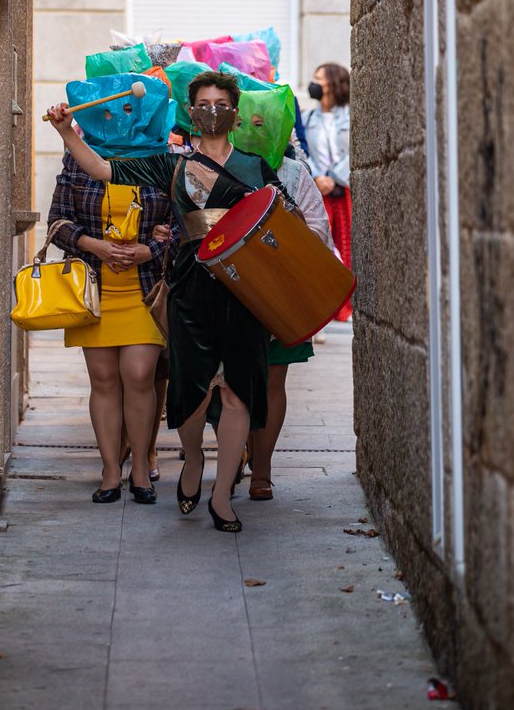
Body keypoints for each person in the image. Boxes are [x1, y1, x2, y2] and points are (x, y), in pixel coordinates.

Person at [47, 70, 284, 533]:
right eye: (203, 104)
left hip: (244, 290)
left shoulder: (257, 168)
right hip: (190, 287)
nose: (212, 111)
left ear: (235, 115)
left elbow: (282, 227)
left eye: (221, 104)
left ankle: (221, 498)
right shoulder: (167, 163)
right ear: (190, 113)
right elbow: (101, 169)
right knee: (192, 394)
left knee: (237, 391)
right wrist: (62, 130)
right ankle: (192, 459)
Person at [47, 153, 177, 505]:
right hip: (94, 290)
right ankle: (109, 471)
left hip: (145, 289)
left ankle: (139, 468)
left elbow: (184, 222)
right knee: (103, 380)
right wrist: (96, 246)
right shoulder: (79, 160)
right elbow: (57, 223)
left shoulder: (163, 158)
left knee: (139, 375)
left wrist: (149, 250)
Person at [245, 144, 334, 502]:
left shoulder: (295, 174)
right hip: (232, 288)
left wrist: (289, 226)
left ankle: (261, 469)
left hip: (284, 291)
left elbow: (319, 230)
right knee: (230, 383)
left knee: (273, 377)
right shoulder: (213, 163)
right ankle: (236, 451)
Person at [302, 63, 352, 322]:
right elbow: (303, 150)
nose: (314, 83)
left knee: (347, 245)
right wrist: (317, 177)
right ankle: (322, 307)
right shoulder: (309, 117)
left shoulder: (351, 115)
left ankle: (346, 307)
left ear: (333, 83)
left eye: (318, 78)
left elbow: (354, 150)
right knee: (320, 248)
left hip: (343, 191)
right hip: (318, 190)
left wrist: (333, 178)